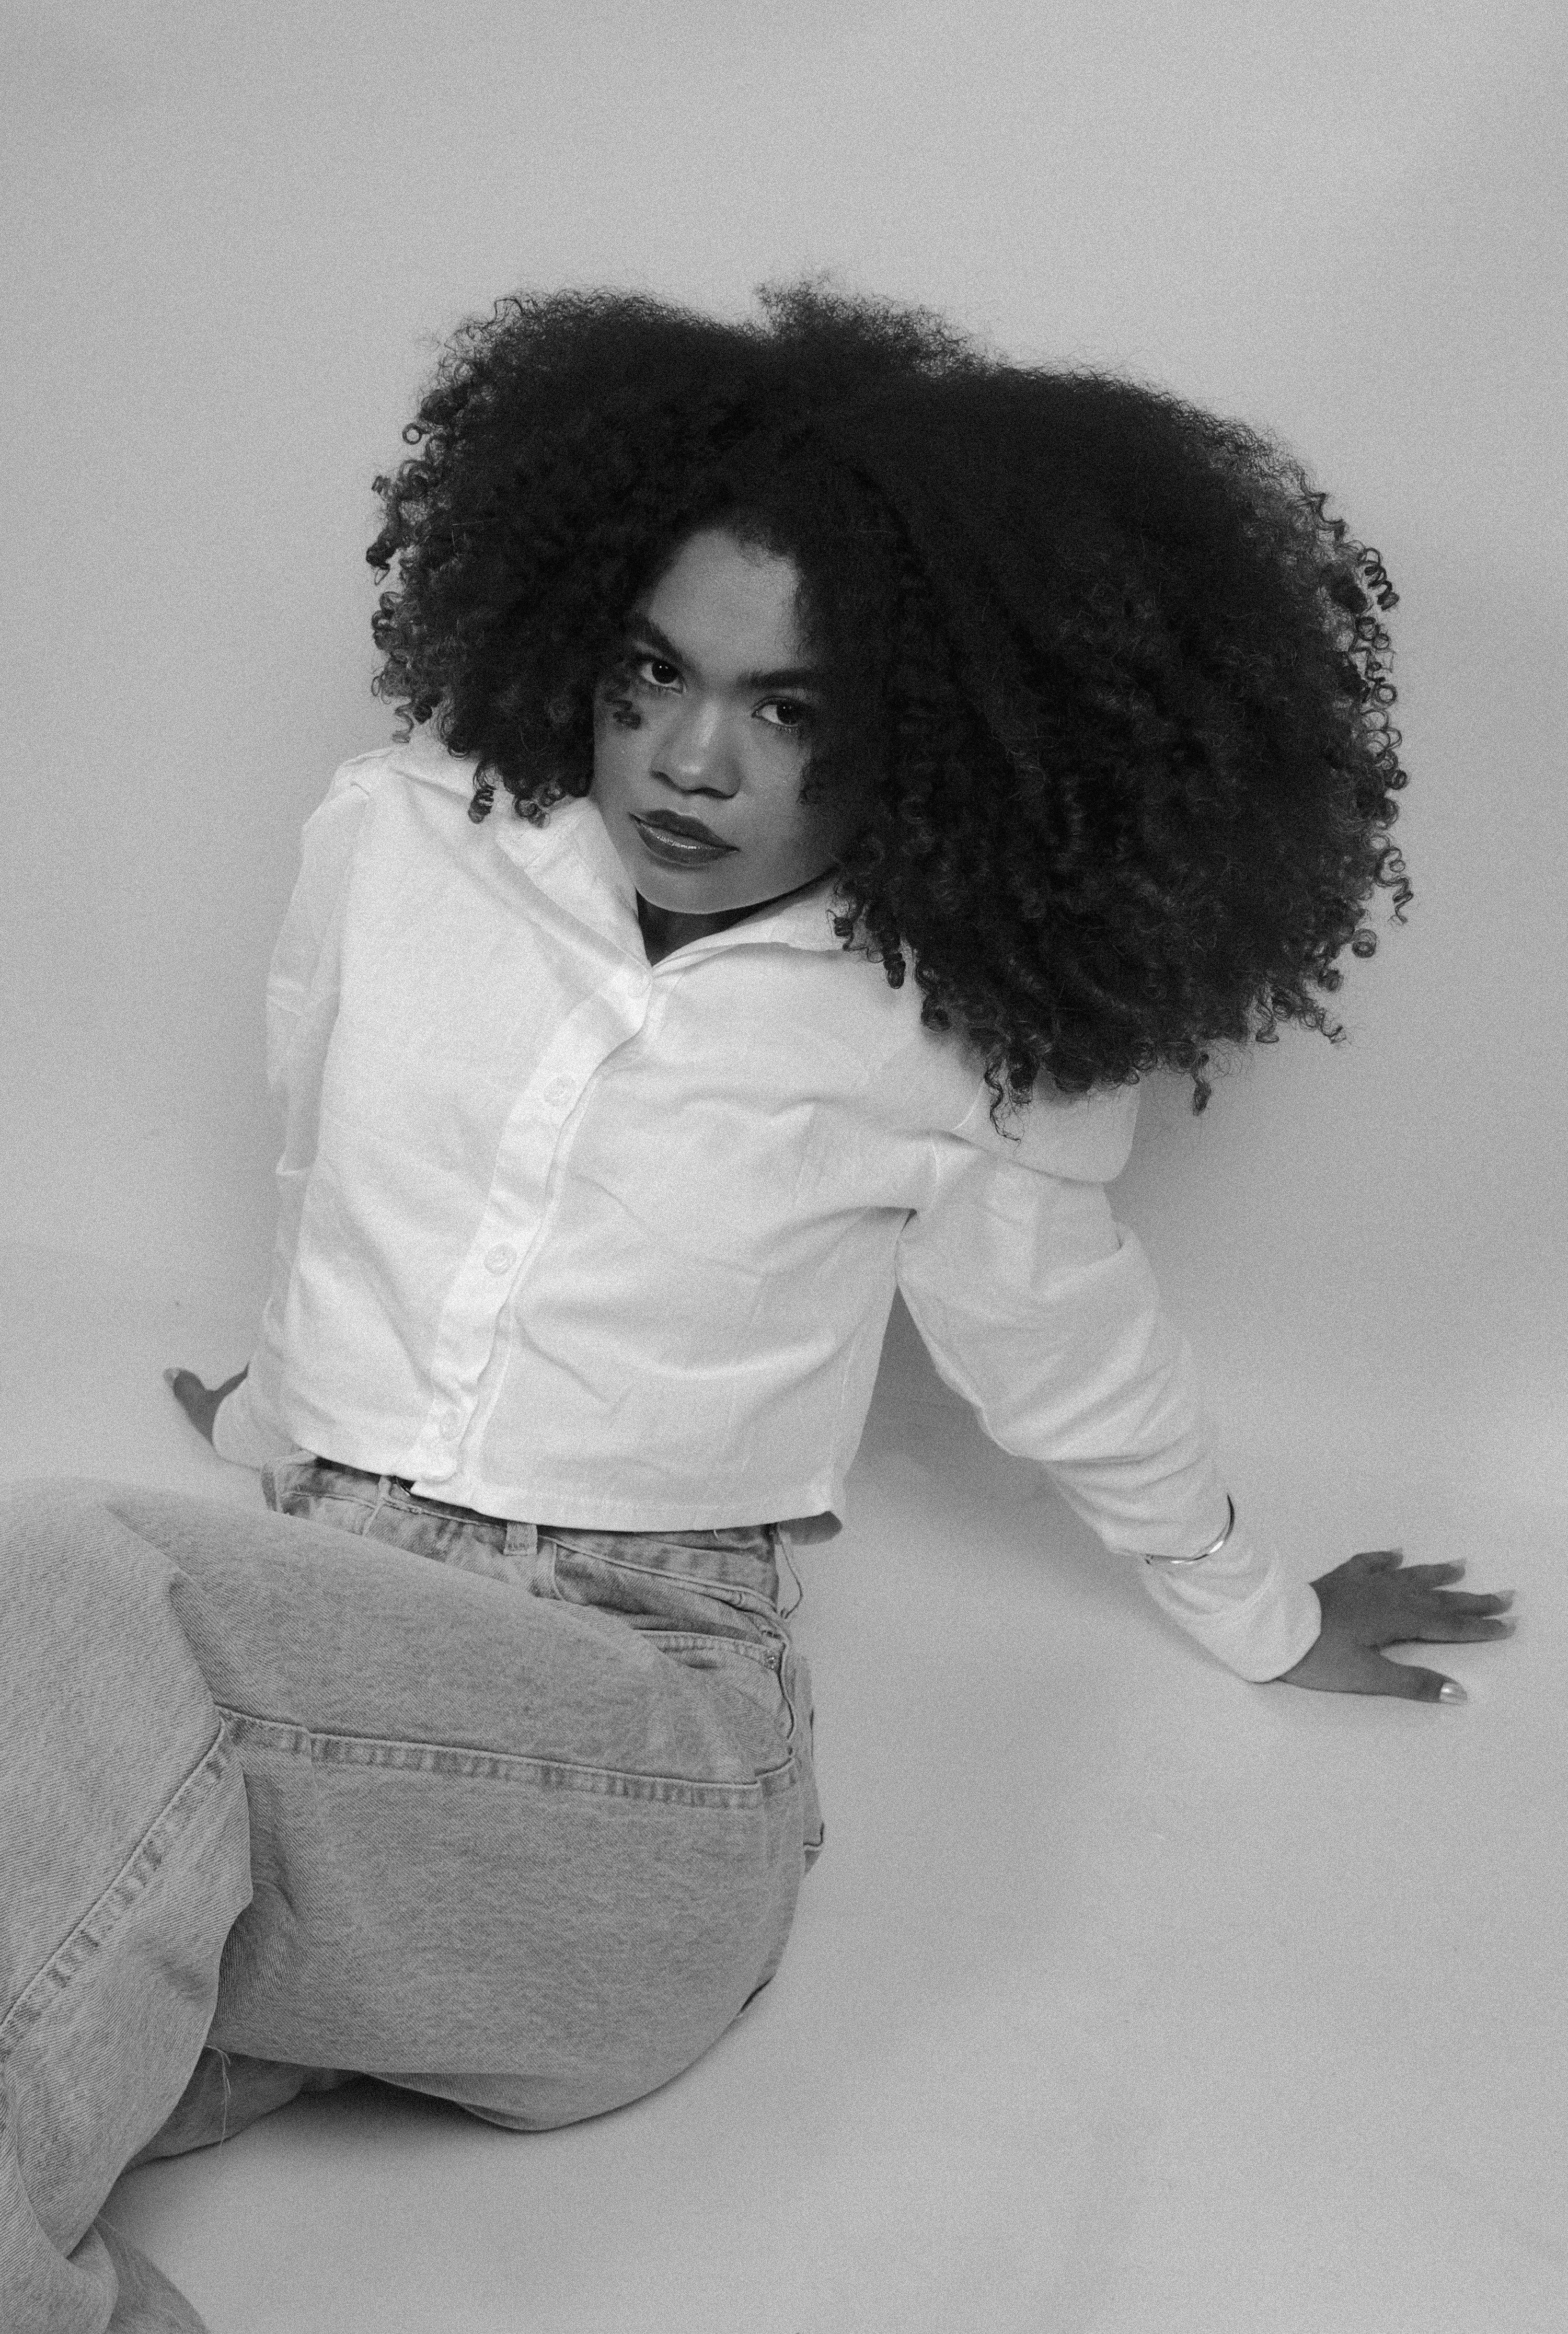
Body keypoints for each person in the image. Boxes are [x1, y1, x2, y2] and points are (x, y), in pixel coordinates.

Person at [1, 282, 1514, 2333]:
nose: (693, 758)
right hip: (316, 1725)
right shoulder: (405, 840)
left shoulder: (944, 1033)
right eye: (654, 673)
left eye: (791, 711)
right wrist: (288, 1407)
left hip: (638, 1765)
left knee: (66, 1585)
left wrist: (1264, 1608)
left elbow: (1070, 1355)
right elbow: (321, 1156)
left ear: (922, 734)